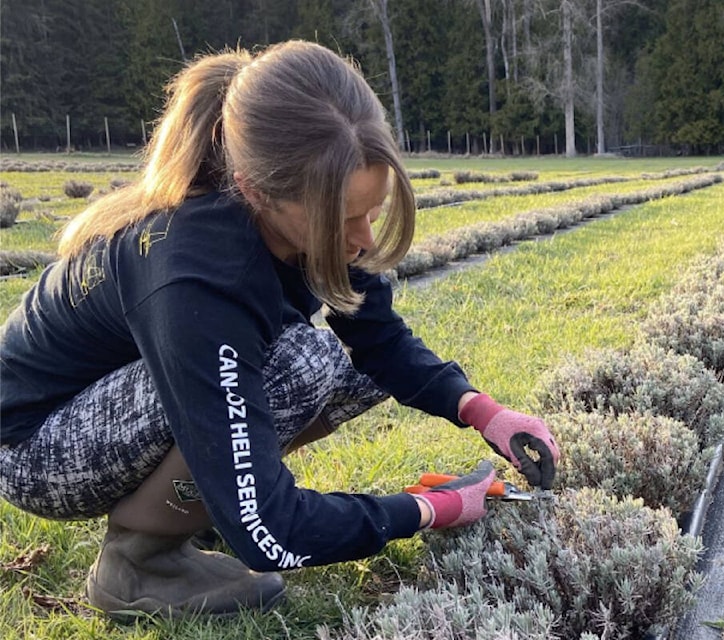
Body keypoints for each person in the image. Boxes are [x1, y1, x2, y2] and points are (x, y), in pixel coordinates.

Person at [0, 40, 559, 618]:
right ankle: (141, 561)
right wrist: (427, 509)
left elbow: (379, 341)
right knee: (302, 364)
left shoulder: (295, 200)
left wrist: (481, 411)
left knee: (358, 370)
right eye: (345, 219)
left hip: (121, 395)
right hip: (33, 446)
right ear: (254, 190)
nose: (365, 238)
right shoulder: (198, 276)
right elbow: (272, 529)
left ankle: (204, 507)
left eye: (371, 210)